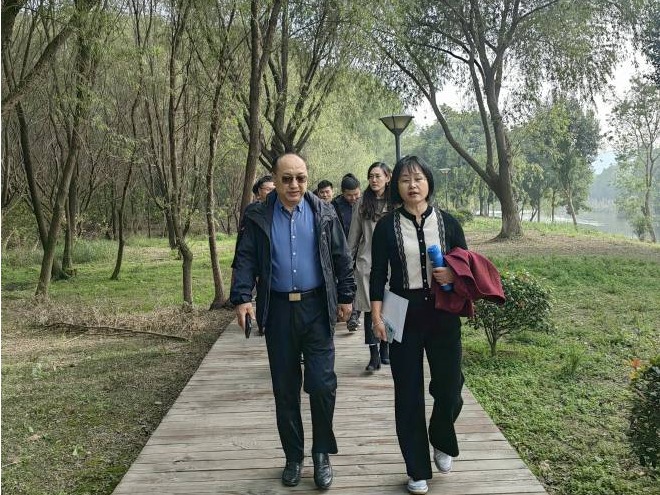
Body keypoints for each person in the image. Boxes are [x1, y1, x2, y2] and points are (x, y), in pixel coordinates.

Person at [230, 152, 355, 490]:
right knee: (285, 389)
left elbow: (342, 257)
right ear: (275, 179)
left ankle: (321, 453)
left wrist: (346, 295)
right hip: (279, 310)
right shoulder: (258, 215)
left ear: (307, 178)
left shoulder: (323, 211)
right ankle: (294, 456)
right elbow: (245, 259)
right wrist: (242, 297)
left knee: (322, 384)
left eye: (300, 178)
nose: (294, 185)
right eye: (286, 179)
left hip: (317, 308)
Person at [369, 155, 468, 495]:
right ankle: (416, 468)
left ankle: (441, 437)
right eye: (405, 180)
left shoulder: (449, 223)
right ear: (395, 186)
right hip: (402, 313)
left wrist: (452, 275)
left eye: (418, 178)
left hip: (443, 313)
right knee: (408, 393)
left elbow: (465, 266)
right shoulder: (386, 227)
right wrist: (377, 316)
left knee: (450, 386)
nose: (412, 185)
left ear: (428, 182)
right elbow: (377, 274)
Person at [347, 162, 392, 371]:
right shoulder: (362, 203)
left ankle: (386, 348)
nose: (374, 180)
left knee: (389, 306)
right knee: (368, 308)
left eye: (378, 176)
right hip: (367, 263)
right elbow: (353, 236)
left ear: (388, 177)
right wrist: (346, 264)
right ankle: (374, 354)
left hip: (392, 263)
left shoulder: (396, 202)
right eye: (371, 176)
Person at [331, 173, 362, 331]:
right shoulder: (334, 206)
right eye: (349, 195)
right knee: (347, 280)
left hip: (360, 248)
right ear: (342, 193)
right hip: (342, 249)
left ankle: (354, 316)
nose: (353, 198)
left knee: (358, 280)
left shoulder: (364, 203)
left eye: (356, 194)